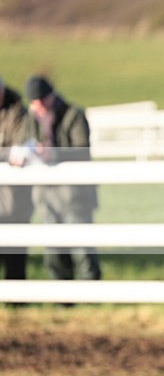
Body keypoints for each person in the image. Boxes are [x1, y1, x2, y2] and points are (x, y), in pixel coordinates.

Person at [11, 75, 101, 281]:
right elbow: (22, 143)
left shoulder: (73, 115)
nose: (39, 105)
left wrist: (53, 154)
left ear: (51, 96)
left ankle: (91, 295)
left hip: (74, 195)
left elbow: (81, 150)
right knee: (54, 251)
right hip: (45, 195)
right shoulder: (31, 119)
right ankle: (63, 299)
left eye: (42, 100)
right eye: (35, 102)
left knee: (82, 249)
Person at [0, 77, 33, 279]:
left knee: (15, 247)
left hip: (14, 195)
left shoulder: (18, 111)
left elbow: (19, 149)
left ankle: (17, 299)